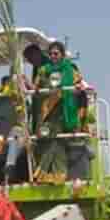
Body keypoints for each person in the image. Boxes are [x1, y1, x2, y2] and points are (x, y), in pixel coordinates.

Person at [33, 41, 85, 182]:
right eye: (50, 54)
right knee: (51, 139)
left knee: (57, 140)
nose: (53, 56)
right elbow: (35, 86)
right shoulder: (44, 70)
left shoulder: (70, 70)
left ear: (62, 54)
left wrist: (80, 87)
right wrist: (31, 85)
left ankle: (44, 174)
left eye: (56, 53)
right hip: (48, 111)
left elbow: (81, 84)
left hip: (65, 112)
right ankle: (56, 175)